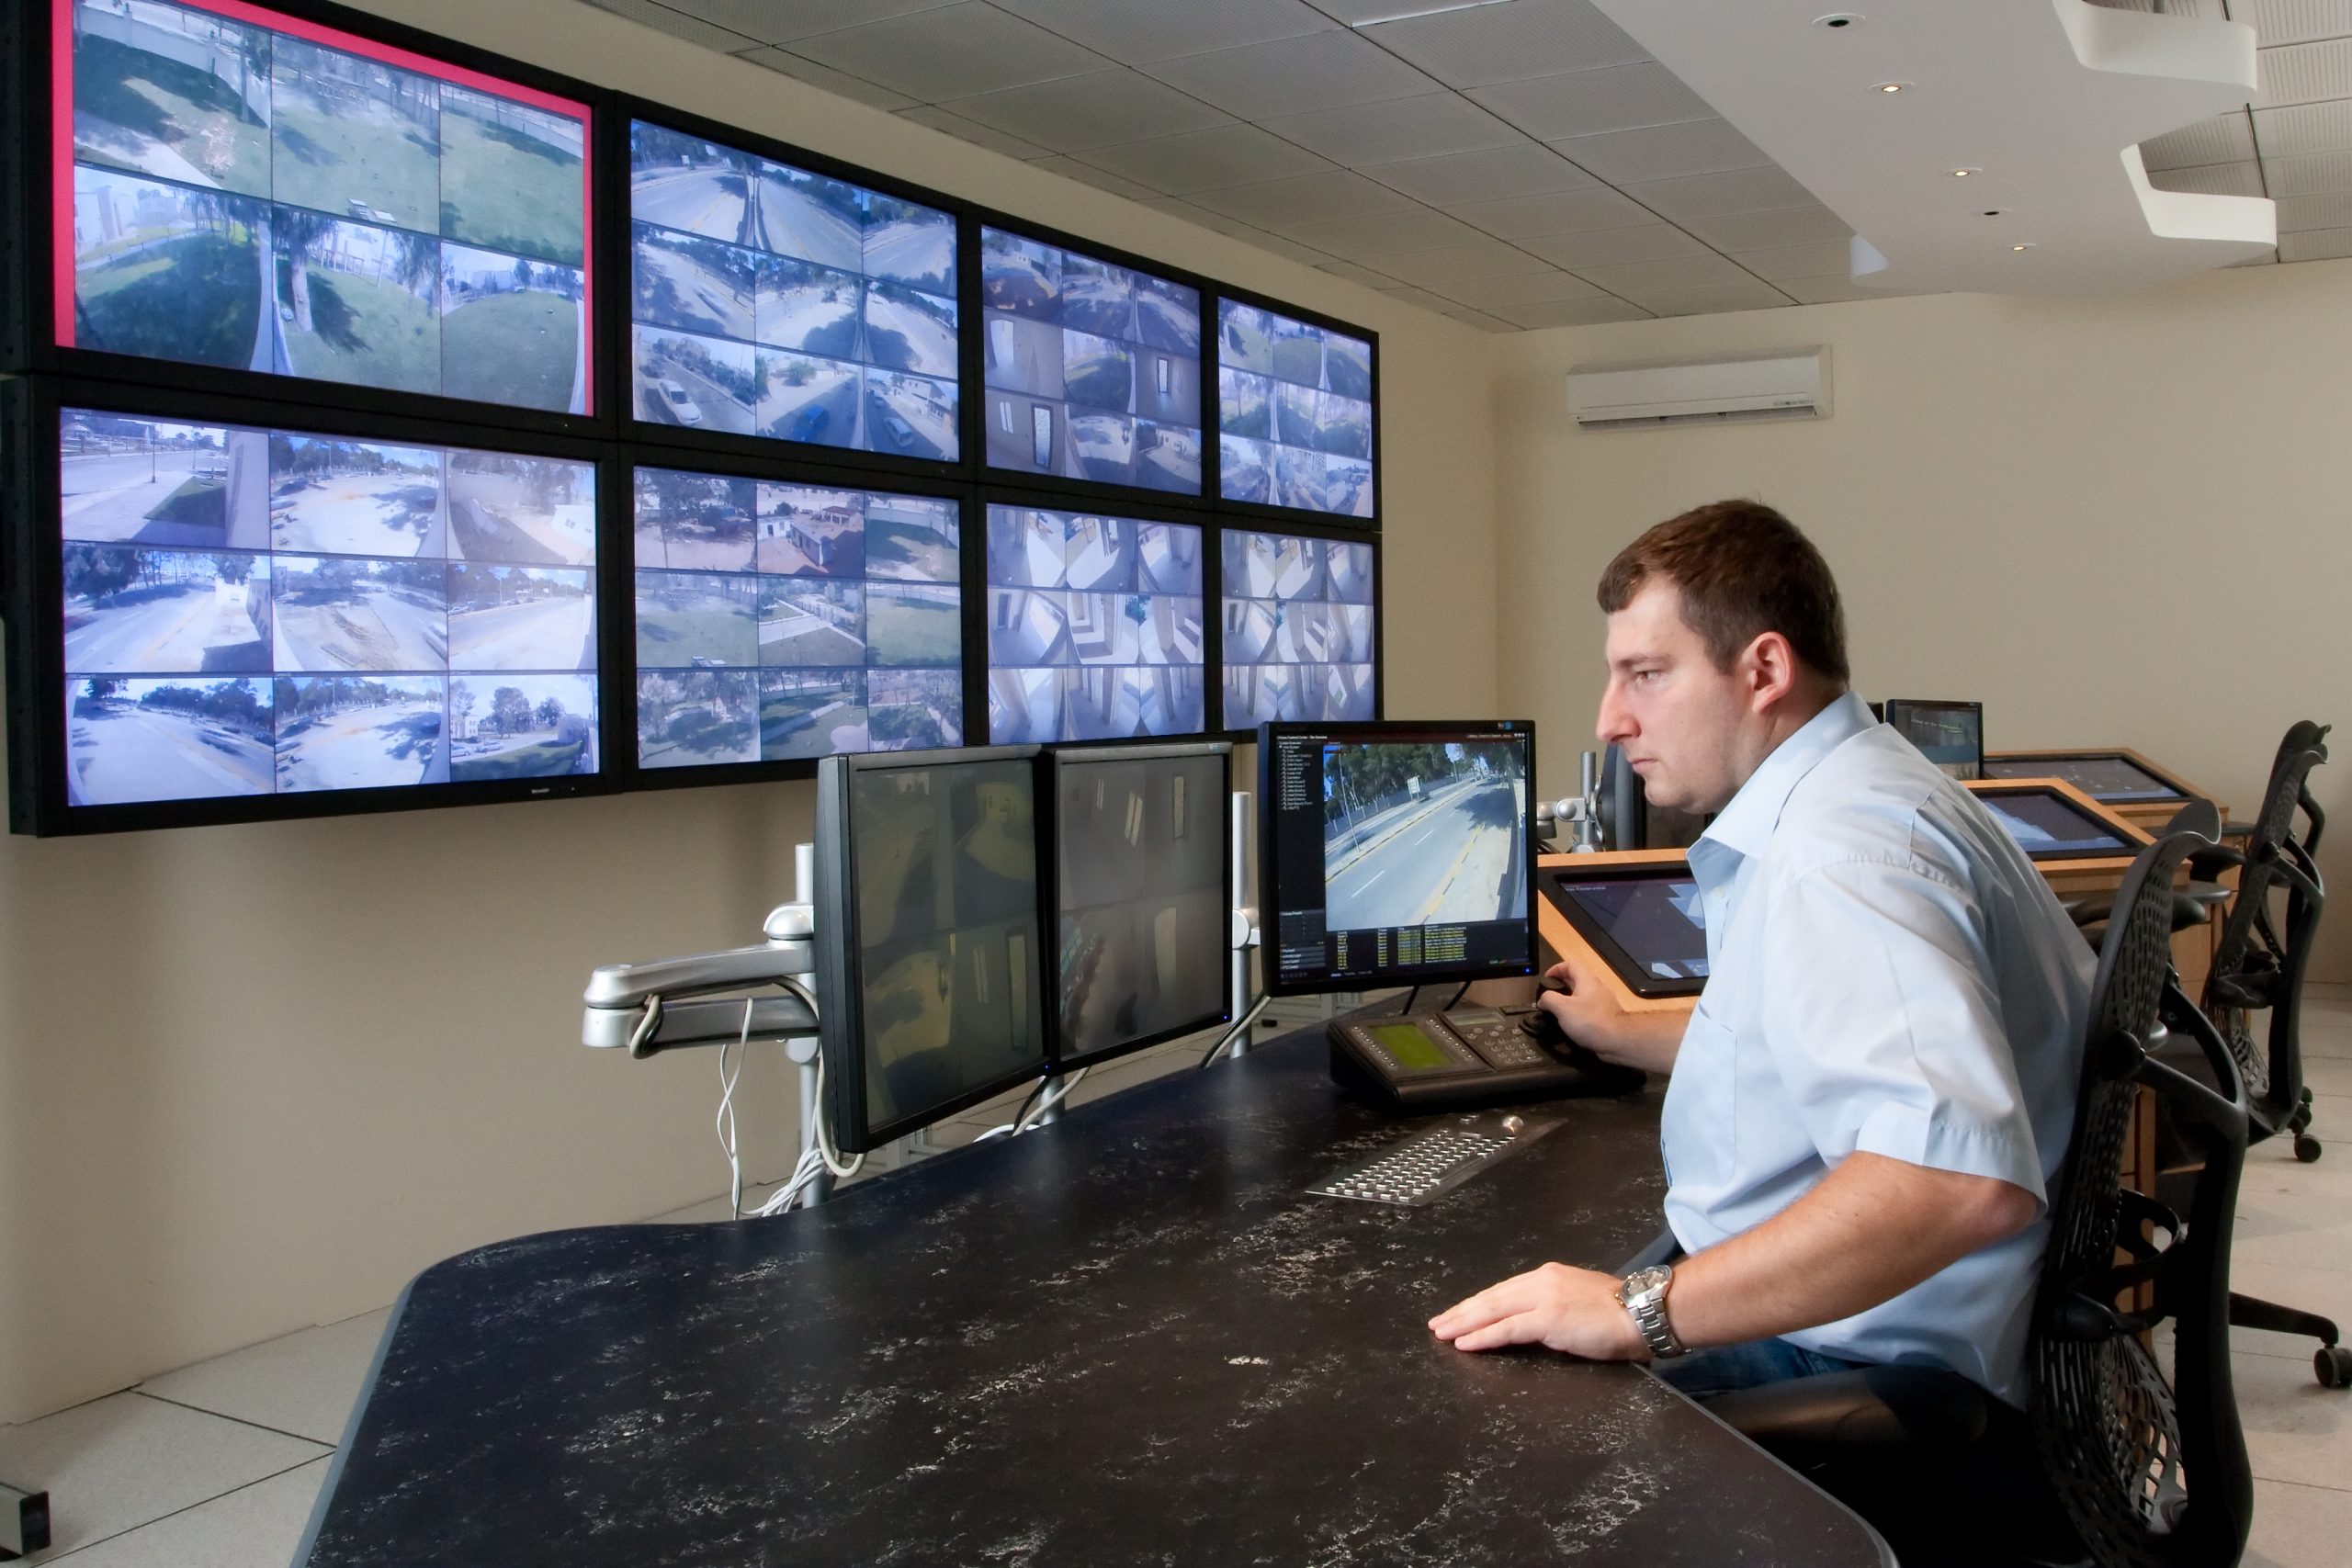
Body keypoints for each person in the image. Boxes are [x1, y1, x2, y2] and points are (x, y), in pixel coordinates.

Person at [1429, 501, 2093, 1407]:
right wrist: (1637, 1035)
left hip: (1865, 1362)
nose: (1609, 718)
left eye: (1646, 674)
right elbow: (1833, 1037)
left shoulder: (1843, 855)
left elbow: (1951, 1178)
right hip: (1923, 1327)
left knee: (1468, 1407)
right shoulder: (1875, 786)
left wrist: (1639, 1311)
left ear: (1764, 669)